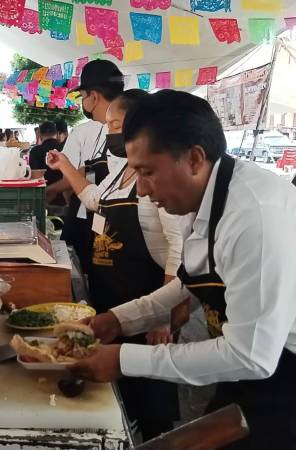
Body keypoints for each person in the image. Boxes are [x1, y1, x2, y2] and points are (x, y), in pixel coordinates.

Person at [71, 90, 296, 450]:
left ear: (193, 158)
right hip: (248, 366)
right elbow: (189, 280)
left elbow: (251, 356)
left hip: (282, 373)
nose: (142, 190)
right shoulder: (203, 196)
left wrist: (125, 358)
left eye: (147, 173)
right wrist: (118, 320)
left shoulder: (253, 217)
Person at [47, 89, 182, 440]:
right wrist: (64, 164)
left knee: (150, 394)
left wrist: (162, 316)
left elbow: (178, 246)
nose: (109, 133)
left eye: (115, 124)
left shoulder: (153, 176)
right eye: (108, 126)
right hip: (111, 298)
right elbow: (93, 200)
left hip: (146, 299)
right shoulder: (120, 170)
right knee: (118, 387)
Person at [47, 59, 124, 275]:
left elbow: (103, 196)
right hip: (98, 219)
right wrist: (63, 164)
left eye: (82, 97)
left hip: (117, 230)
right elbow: (93, 185)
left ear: (94, 96)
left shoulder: (121, 132)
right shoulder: (103, 128)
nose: (83, 103)